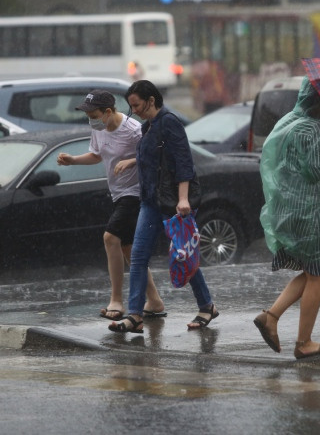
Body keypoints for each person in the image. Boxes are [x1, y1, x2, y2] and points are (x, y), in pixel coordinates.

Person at [109, 80, 217, 334]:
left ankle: (207, 306)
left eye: (136, 105)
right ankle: (135, 316)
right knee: (138, 257)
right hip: (150, 200)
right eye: (130, 106)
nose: (133, 110)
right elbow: (156, 156)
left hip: (172, 202)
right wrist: (132, 161)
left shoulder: (169, 121)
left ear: (151, 100)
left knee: (183, 256)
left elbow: (183, 163)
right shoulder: (149, 126)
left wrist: (183, 199)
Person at [253, 77, 320, 359]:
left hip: (285, 208)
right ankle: (304, 343)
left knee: (310, 272)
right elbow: (316, 171)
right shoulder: (314, 128)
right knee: (318, 275)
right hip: (306, 210)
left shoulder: (288, 120)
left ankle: (271, 316)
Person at [57, 90, 165, 321]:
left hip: (137, 193)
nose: (90, 119)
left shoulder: (133, 130)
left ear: (107, 111)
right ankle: (154, 301)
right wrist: (73, 160)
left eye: (92, 113)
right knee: (126, 248)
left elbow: (155, 155)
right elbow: (97, 155)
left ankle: (116, 300)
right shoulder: (99, 128)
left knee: (110, 238)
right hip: (118, 193)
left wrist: (131, 161)